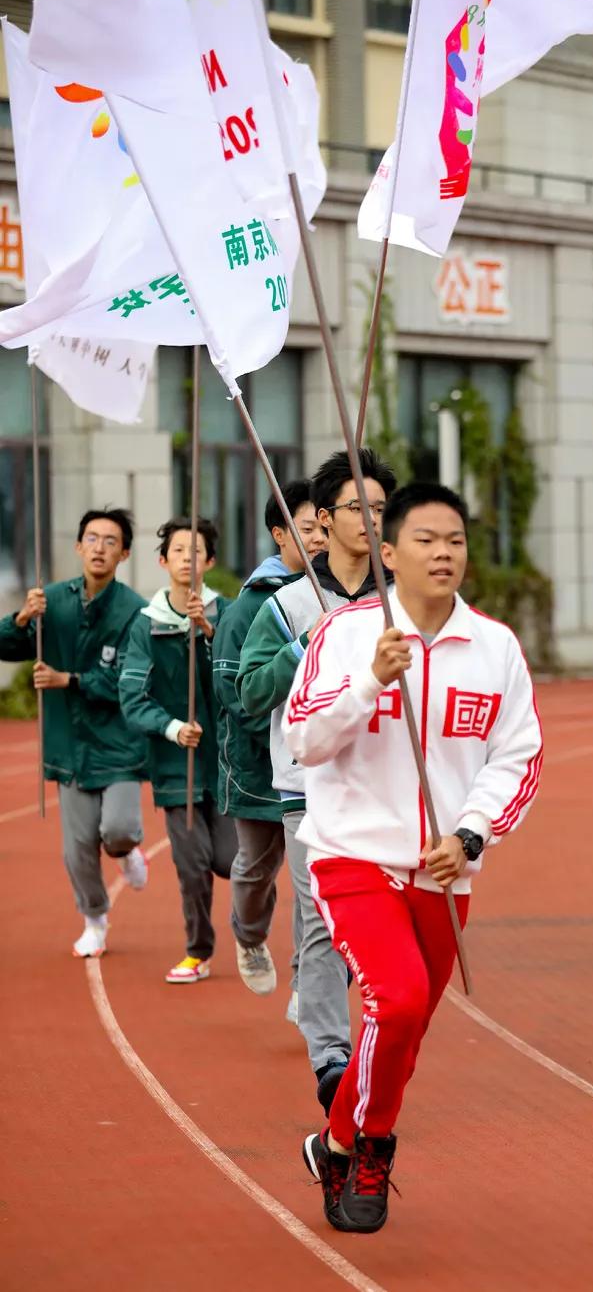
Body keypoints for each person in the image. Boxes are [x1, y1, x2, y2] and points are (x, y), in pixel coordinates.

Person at [284, 482, 543, 1234]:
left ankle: (333, 1141)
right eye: (425, 539)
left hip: (441, 869)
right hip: (353, 856)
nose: (442, 553)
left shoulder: (493, 646)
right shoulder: (346, 633)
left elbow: (516, 756)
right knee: (393, 1000)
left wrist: (469, 834)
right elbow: (303, 740)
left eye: (455, 540)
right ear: (387, 552)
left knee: (402, 1031)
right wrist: (370, 679)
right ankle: (373, 1148)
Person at [236, 448, 396, 1113]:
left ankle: (374, 1038)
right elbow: (248, 692)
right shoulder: (287, 604)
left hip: (388, 788)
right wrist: (307, 645)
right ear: (323, 521)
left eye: (383, 509)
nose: (373, 521)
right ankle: (331, 1058)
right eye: (359, 508)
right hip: (310, 788)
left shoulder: (400, 599)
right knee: (322, 919)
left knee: (383, 924)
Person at [0, 508, 148, 958]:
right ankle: (95, 918)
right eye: (92, 538)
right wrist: (24, 618)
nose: (99, 547)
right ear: (78, 547)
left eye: (110, 541)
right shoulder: (52, 601)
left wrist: (71, 680)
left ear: (123, 553)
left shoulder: (134, 611)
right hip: (70, 745)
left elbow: (131, 678)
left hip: (119, 745)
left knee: (119, 828)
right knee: (77, 848)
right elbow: (7, 645)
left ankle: (125, 852)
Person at [212, 481, 326, 1006]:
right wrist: (287, 737)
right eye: (307, 531)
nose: (319, 541)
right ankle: (250, 935)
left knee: (313, 885)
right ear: (279, 535)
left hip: (315, 771)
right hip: (259, 766)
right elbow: (238, 694)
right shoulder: (251, 607)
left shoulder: (340, 600)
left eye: (326, 530)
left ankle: (308, 982)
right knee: (257, 867)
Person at [120, 516, 236, 983]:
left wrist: (208, 634)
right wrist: (171, 728)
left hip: (227, 764)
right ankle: (198, 950)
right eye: (179, 550)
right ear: (163, 560)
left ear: (210, 561)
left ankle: (251, 929)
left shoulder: (226, 613)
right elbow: (132, 698)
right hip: (176, 769)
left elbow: (239, 681)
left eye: (197, 551)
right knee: (191, 865)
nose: (188, 559)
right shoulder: (145, 626)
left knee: (231, 861)